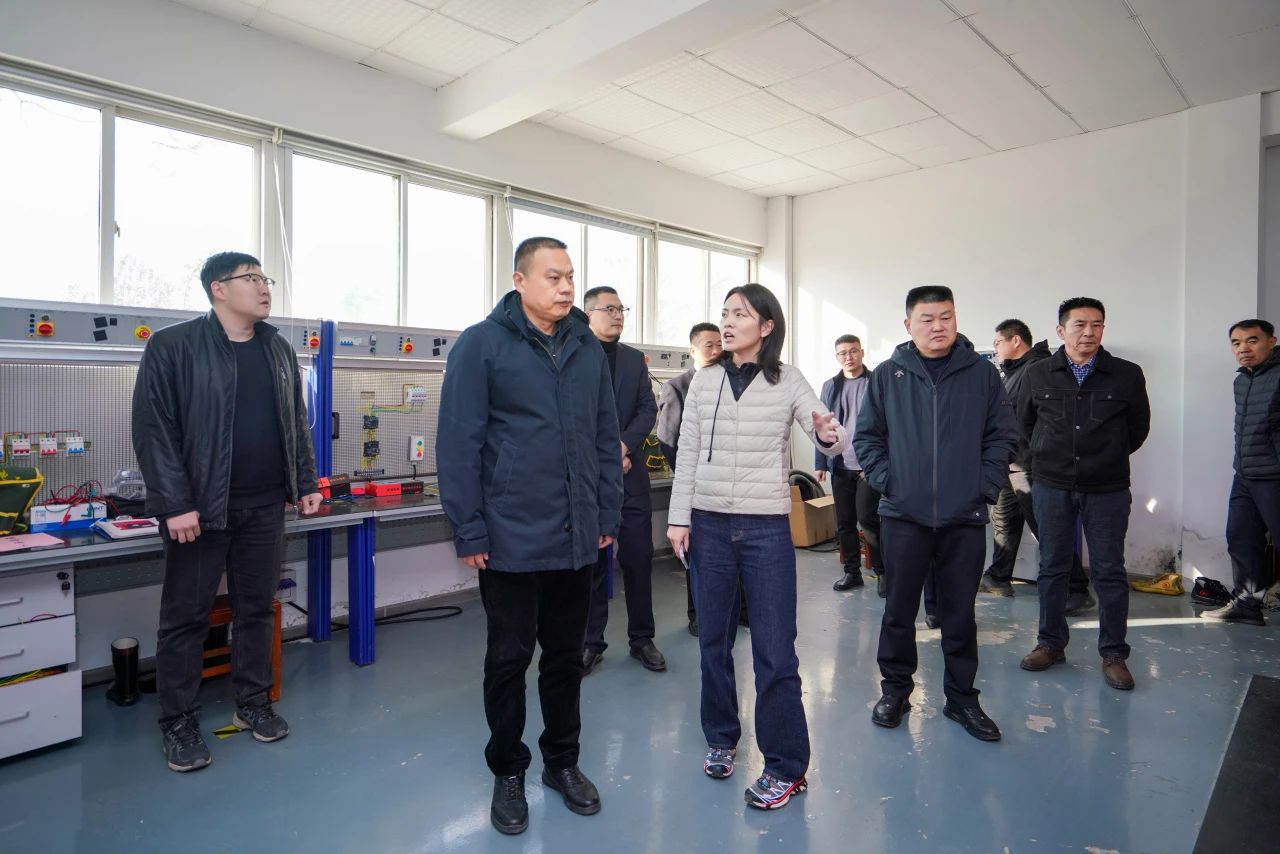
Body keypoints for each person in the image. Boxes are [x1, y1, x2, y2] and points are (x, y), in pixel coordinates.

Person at [436, 237, 622, 836]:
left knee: (566, 659)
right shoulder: (482, 345)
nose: (566, 288)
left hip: (577, 536)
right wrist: (469, 527)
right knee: (508, 660)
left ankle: (561, 762)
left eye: (570, 277)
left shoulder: (586, 348)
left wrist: (606, 516)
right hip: (509, 539)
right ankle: (508, 769)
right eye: (552, 277)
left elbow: (604, 437)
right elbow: (458, 443)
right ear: (519, 281)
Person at [132, 251, 322, 773]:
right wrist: (176, 503)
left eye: (266, 278)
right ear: (219, 288)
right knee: (185, 619)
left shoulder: (277, 348)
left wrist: (305, 482)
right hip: (200, 512)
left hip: (265, 505)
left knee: (256, 610)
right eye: (252, 278)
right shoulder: (173, 346)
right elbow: (154, 429)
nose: (264, 287)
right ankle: (177, 721)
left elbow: (295, 421)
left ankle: (253, 703)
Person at [666, 283, 848, 810]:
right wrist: (679, 519)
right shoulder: (705, 380)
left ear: (767, 326)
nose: (727, 322)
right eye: (724, 313)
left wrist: (829, 433)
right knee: (713, 643)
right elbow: (688, 452)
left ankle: (786, 765)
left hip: (766, 528)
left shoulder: (788, 379)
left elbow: (828, 435)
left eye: (740, 314)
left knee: (775, 651)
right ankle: (721, 736)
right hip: (709, 525)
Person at [856, 285, 1015, 742]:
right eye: (927, 319)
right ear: (909, 325)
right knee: (898, 611)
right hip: (903, 516)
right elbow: (867, 437)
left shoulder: (982, 375)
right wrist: (891, 482)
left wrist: (983, 487)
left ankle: (962, 698)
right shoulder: (887, 375)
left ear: (956, 319)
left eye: (946, 316)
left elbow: (1001, 436)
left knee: (960, 614)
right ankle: (895, 691)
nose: (938, 326)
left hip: (963, 517)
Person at [1017, 297, 1150, 691]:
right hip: (1052, 485)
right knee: (1052, 567)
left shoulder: (1126, 374)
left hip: (1107, 488)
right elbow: (1023, 424)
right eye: (1080, 325)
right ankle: (1050, 643)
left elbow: (1137, 429)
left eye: (1097, 324)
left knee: (1109, 570)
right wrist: (1048, 458)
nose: (1089, 332)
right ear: (1061, 330)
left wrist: (1104, 457)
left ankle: (1114, 654)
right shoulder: (1038, 374)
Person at [982, 319, 1093, 612]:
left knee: (1047, 530)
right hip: (1011, 462)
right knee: (1004, 522)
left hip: (1031, 465)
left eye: (998, 342)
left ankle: (1076, 588)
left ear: (1016, 340)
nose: (995, 349)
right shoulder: (1014, 372)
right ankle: (998, 577)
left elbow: (1039, 421)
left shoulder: (1038, 370)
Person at [582, 286, 664, 674]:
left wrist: (624, 446)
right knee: (593, 564)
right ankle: (590, 642)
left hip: (631, 478)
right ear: (588, 315)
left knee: (638, 558)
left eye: (621, 309)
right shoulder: (573, 355)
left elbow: (648, 408)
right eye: (609, 309)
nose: (618, 315)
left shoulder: (633, 360)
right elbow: (570, 415)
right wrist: (605, 454)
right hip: (589, 480)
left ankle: (642, 638)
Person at [656, 322, 741, 636]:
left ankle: (738, 611)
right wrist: (692, 475)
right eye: (709, 345)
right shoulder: (678, 386)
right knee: (698, 555)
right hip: (695, 487)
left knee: (733, 551)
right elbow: (668, 440)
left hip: (730, 485)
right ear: (692, 350)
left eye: (720, 344)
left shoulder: (731, 381)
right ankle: (698, 614)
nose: (717, 350)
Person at [1203, 319, 1280, 626]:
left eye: (1252, 340)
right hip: (1246, 474)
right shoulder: (1242, 380)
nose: (1243, 348)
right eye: (1236, 343)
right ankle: (1247, 606)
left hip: (1274, 476)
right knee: (1241, 538)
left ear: (1271, 341)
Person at [817, 334, 883, 593]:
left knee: (869, 519)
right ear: (837, 357)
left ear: (862, 352)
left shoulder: (877, 381)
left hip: (869, 465)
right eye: (843, 353)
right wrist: (821, 461)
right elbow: (820, 426)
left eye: (853, 351)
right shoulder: (830, 386)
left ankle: (882, 572)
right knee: (845, 522)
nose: (848, 357)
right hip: (840, 464)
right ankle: (852, 573)